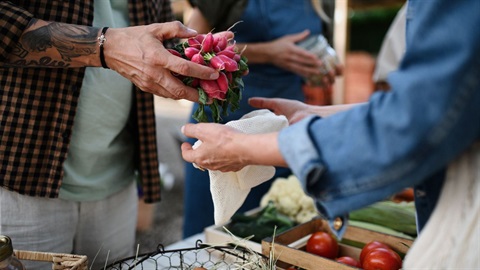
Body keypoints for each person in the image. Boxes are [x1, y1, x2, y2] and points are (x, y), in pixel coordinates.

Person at [181, 0, 480, 267]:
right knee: (204, 246)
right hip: (241, 126)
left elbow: (409, 120)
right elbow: (415, 111)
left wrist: (246, 149)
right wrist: (316, 115)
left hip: (279, 142)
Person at [0, 1, 229, 269]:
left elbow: (163, 36)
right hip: (20, 177)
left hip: (117, 181)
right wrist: (105, 45)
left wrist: (198, 59)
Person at [182, 0, 342, 238]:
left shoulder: (324, 3)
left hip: (285, 130)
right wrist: (267, 53)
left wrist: (322, 66)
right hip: (225, 126)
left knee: (272, 236)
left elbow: (322, 51)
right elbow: (188, 45)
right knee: (211, 235)